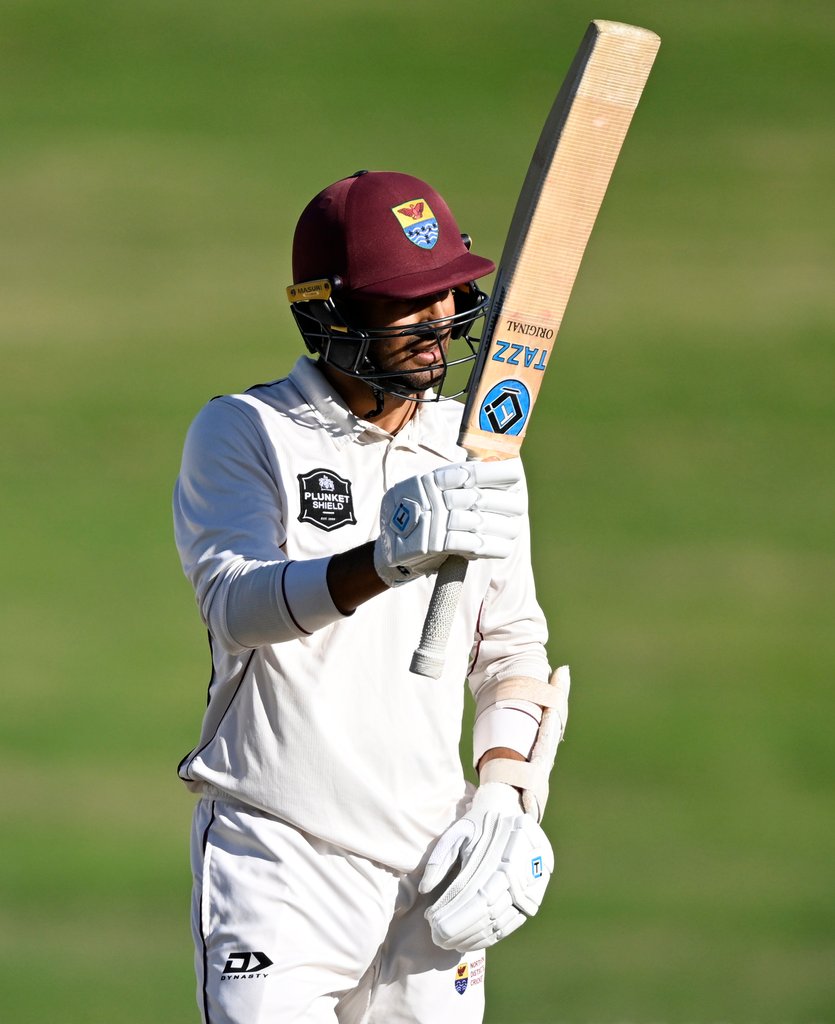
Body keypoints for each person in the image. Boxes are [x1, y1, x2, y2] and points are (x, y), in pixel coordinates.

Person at [173, 169, 571, 1024]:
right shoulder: (246, 430)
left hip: (435, 864)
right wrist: (384, 556)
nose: (437, 323)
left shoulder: (478, 446)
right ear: (328, 313)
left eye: (447, 294)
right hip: (280, 851)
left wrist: (504, 797)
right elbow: (235, 605)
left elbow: (511, 648)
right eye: (405, 302)